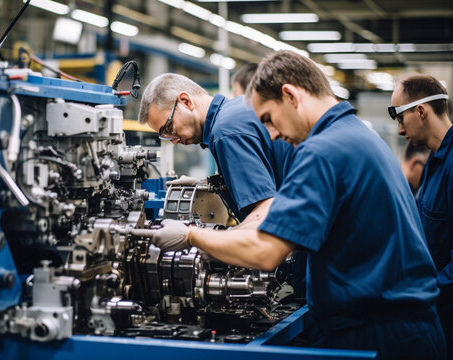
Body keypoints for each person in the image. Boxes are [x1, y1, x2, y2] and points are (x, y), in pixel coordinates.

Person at [135, 50, 445, 359]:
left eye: (268, 119)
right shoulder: (357, 136)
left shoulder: (321, 153)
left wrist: (190, 235)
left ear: (290, 96)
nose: (272, 134)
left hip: (377, 334)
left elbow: (265, 251)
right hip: (406, 325)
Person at [137, 73, 294, 233]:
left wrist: (196, 237)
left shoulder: (225, 133)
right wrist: (209, 184)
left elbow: (265, 216)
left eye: (168, 128)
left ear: (186, 101)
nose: (173, 140)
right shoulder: (234, 111)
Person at [390, 74, 452, 357]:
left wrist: (422, 293)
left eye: (400, 118)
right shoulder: (434, 162)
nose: (400, 131)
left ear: (421, 111)